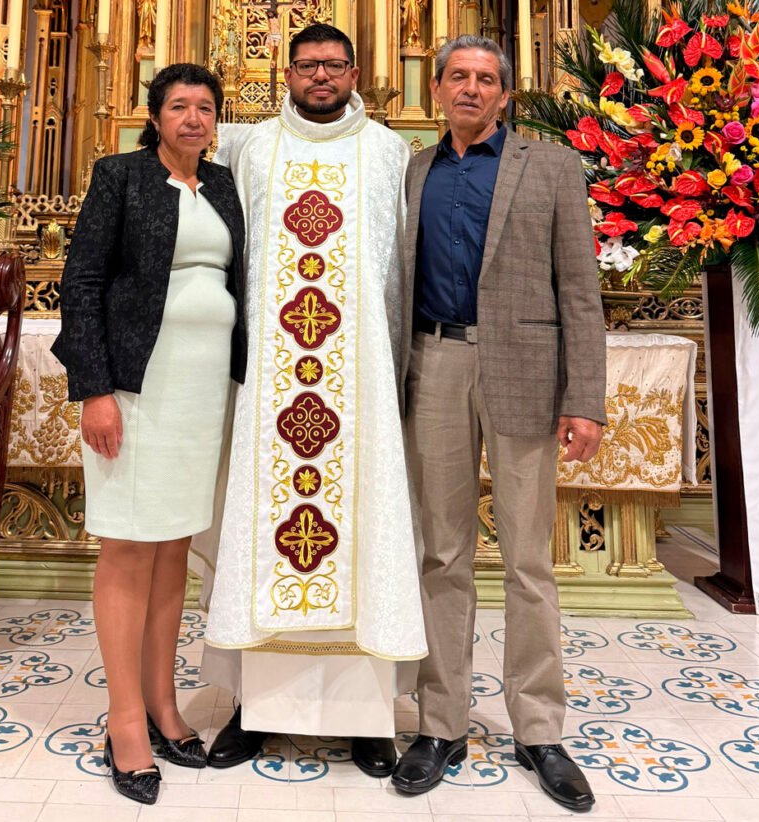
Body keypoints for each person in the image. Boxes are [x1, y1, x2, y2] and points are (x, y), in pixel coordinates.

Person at [197, 23, 427, 777]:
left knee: (365, 533)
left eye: (333, 65)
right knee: (262, 530)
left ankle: (366, 720)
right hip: (273, 385)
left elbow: (402, 269)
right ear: (287, 73)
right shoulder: (251, 150)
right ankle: (255, 710)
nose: (320, 76)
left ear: (355, 72)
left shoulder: (389, 153)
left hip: (358, 386)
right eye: (307, 66)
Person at [390, 36, 606, 810]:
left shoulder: (550, 167)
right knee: (441, 554)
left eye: (486, 80)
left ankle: (539, 729)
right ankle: (440, 722)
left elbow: (579, 288)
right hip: (434, 363)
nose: (472, 89)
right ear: (438, 88)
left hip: (525, 372)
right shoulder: (413, 171)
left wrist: (586, 397)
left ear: (505, 95)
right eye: (459, 77)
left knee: (528, 562)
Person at [51, 63, 246, 806]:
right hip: (136, 388)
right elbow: (82, 282)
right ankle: (125, 719)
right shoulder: (121, 176)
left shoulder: (222, 185)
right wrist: (95, 389)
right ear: (155, 116)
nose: (193, 118)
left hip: (203, 390)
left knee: (172, 548)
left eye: (205, 107)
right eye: (179, 106)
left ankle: (164, 701)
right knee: (131, 545)